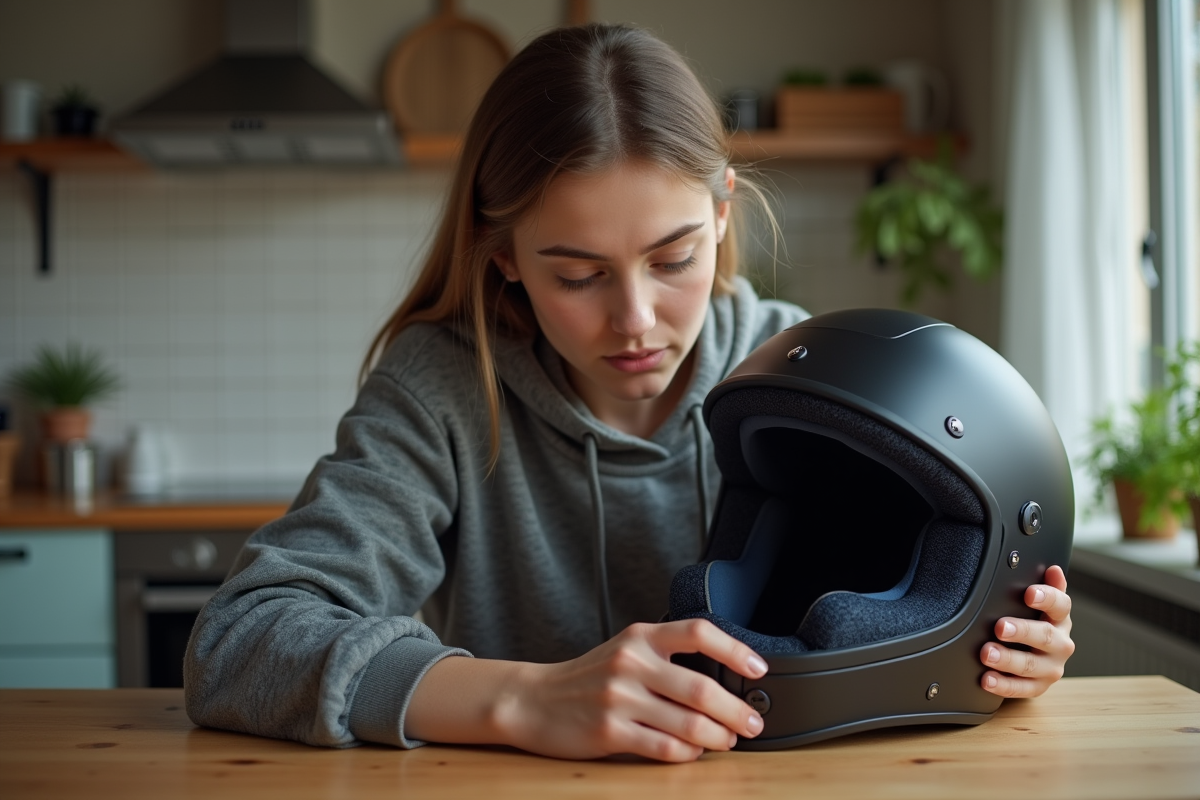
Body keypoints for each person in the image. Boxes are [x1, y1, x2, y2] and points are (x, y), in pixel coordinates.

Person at [185, 23, 1075, 763]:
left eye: (674, 258)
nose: (637, 319)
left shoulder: (808, 379)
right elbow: (237, 643)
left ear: (723, 212)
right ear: (507, 262)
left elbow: (907, 618)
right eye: (577, 275)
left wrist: (988, 646)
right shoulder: (443, 388)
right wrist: (524, 699)